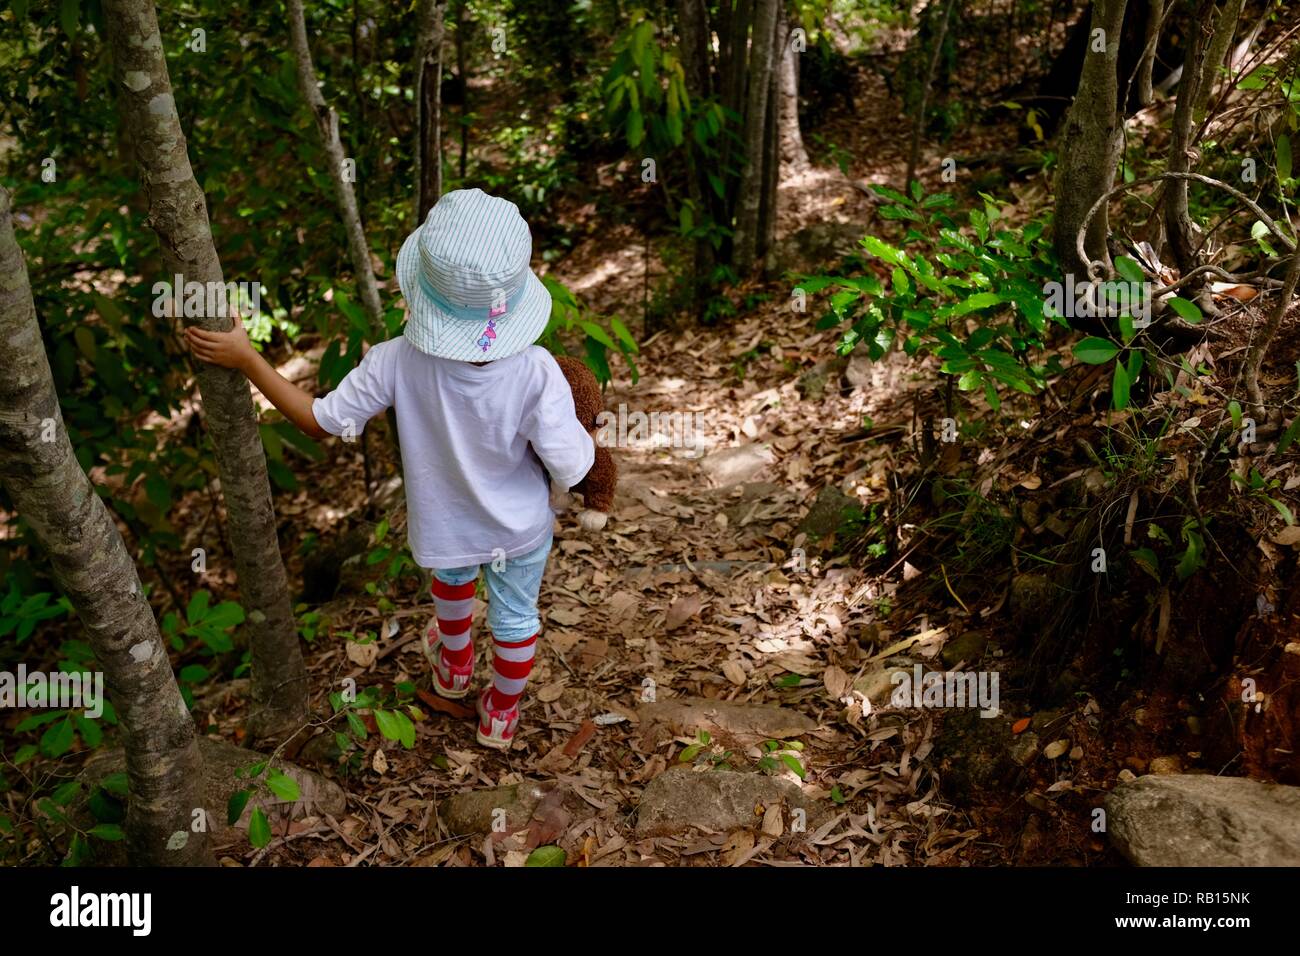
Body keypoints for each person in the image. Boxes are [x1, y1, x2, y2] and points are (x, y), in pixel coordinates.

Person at [186, 188, 594, 749]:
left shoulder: (396, 360)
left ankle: (453, 668)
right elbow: (571, 464)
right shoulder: (538, 372)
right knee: (516, 617)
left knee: (451, 584)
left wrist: (246, 357)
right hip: (519, 529)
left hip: (445, 525)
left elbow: (318, 421)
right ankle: (500, 712)